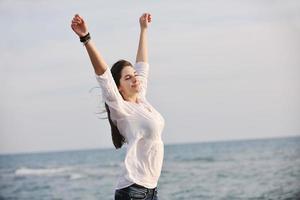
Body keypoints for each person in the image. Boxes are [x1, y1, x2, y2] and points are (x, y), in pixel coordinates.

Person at [71, 13, 165, 200]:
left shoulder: (141, 99)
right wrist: (86, 38)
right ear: (119, 87)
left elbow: (142, 64)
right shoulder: (121, 108)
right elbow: (103, 75)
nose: (135, 78)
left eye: (134, 75)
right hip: (134, 191)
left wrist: (143, 30)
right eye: (127, 77)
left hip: (150, 190)